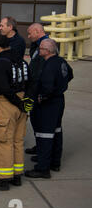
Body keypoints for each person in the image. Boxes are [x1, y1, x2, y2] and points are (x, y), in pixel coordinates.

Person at [0, 35, 32, 191]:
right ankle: (16, 175)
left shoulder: (0, 64)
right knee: (17, 140)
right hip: (21, 102)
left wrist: (17, 103)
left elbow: (4, 88)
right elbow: (30, 81)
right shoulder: (21, 61)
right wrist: (24, 104)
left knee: (2, 141)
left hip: (5, 104)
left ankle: (1, 179)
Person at [25, 39, 73, 178]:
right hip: (58, 101)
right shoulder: (61, 62)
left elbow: (47, 86)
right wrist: (59, 88)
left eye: (41, 49)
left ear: (48, 51)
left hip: (48, 104)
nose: (39, 51)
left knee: (44, 134)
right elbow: (70, 74)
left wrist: (42, 97)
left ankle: (42, 168)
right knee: (56, 131)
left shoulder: (49, 66)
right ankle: (54, 162)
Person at [25, 23, 49, 155]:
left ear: (37, 31)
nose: (28, 36)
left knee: (40, 120)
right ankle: (39, 145)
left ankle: (43, 150)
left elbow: (41, 70)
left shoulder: (45, 46)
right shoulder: (37, 45)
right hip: (34, 88)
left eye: (30, 33)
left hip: (38, 89)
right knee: (35, 119)